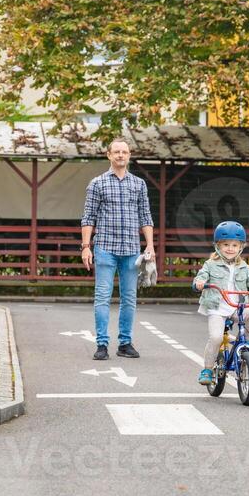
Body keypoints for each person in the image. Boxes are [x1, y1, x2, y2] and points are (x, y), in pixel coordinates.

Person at [81, 138, 155, 361]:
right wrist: (86, 246)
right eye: (116, 152)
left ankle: (125, 343)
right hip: (104, 247)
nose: (120, 155)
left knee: (129, 298)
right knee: (102, 297)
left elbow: (145, 216)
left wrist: (149, 245)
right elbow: (88, 217)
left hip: (132, 250)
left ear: (129, 155)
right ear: (109, 155)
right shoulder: (97, 183)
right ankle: (102, 344)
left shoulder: (139, 184)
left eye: (124, 152)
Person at [193, 220, 249, 385]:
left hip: (236, 308)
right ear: (218, 245)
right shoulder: (210, 265)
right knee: (216, 338)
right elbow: (202, 276)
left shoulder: (244, 267)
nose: (230, 248)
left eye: (234, 245)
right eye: (226, 244)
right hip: (217, 308)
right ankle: (207, 369)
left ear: (241, 247)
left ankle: (246, 341)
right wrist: (199, 283)